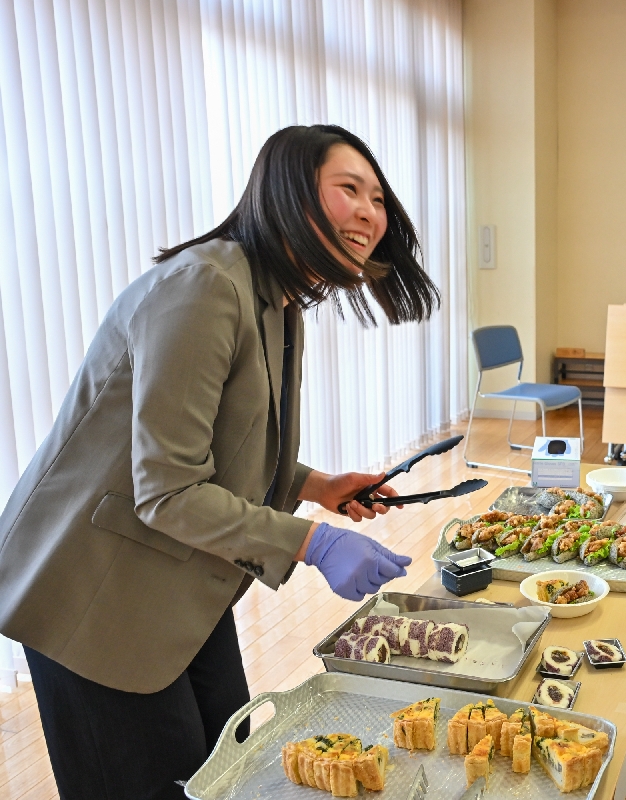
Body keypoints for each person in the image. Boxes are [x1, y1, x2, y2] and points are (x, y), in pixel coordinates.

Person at [0, 125, 441, 799]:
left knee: (228, 769)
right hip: (96, 592)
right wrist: (313, 543)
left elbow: (220, 445)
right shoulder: (204, 286)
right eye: (349, 189)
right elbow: (169, 489)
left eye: (378, 198)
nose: (369, 213)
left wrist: (316, 485)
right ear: (288, 192)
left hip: (176, 579)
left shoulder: (279, 297)